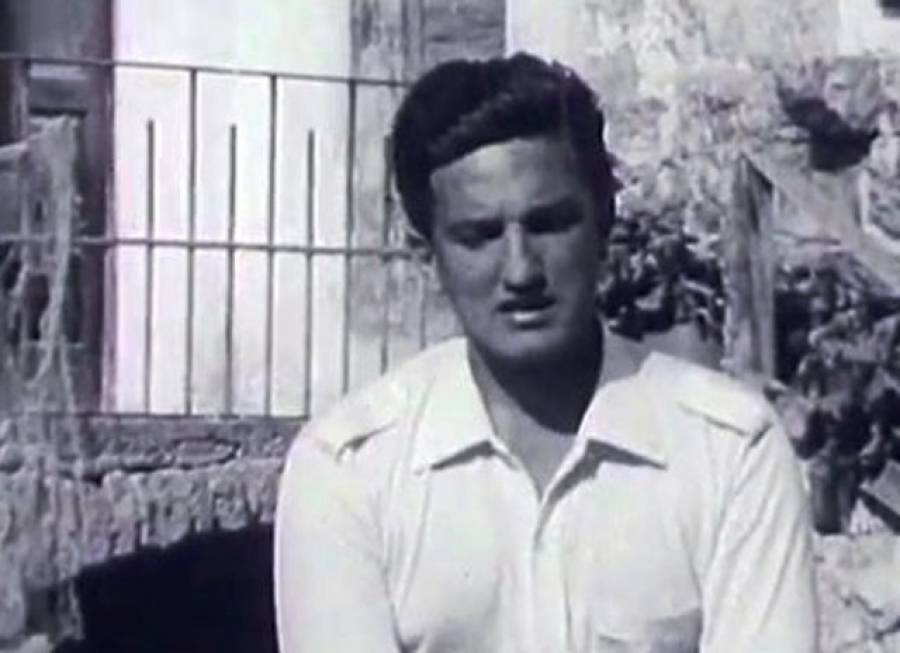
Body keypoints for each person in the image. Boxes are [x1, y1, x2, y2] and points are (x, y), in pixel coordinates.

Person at [274, 53, 818, 653]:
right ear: (426, 254)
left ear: (603, 223)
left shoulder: (729, 450)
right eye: (479, 236)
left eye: (549, 224)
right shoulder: (349, 470)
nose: (521, 271)